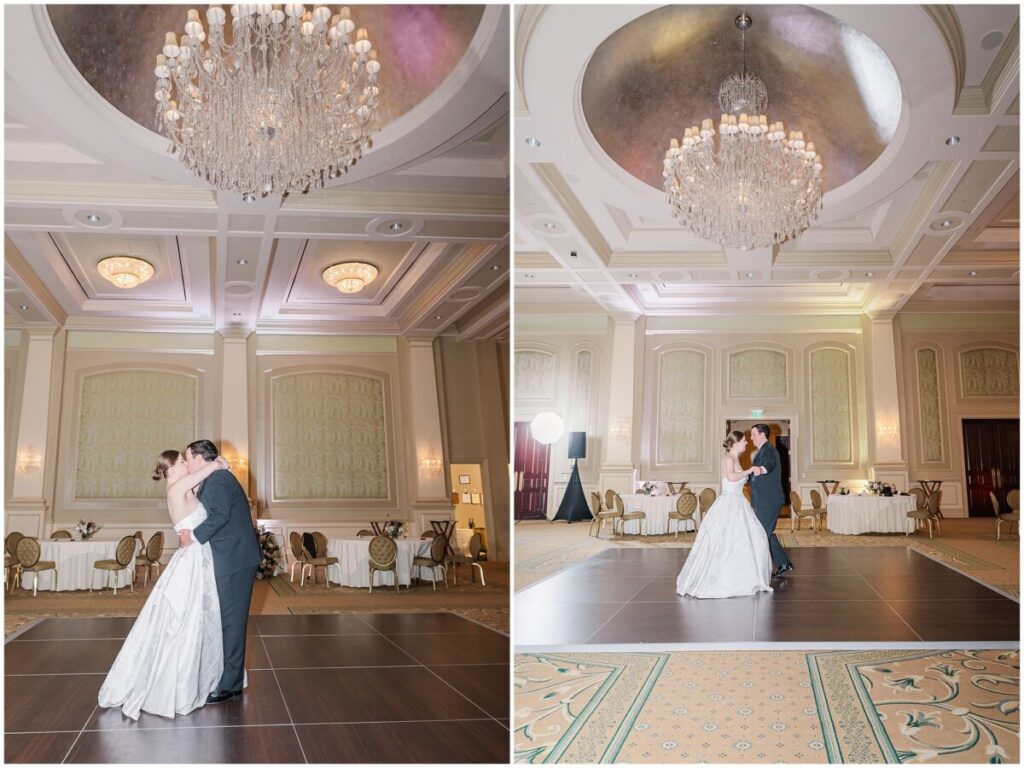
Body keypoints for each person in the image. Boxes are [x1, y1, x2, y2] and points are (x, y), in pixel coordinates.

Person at [97, 450, 228, 719]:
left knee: (197, 618)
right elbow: (206, 471)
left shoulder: (184, 487)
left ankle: (198, 677)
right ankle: (177, 686)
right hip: (191, 562)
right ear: (170, 467)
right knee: (184, 620)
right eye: (182, 461)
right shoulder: (177, 486)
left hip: (199, 557)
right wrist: (218, 463)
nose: (187, 464)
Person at [177, 439, 261, 703]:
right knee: (226, 620)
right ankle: (229, 678)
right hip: (229, 558)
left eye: (188, 458)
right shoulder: (214, 477)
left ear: (200, 458)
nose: (187, 463)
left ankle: (231, 685)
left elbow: (220, 516)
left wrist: (194, 536)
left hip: (235, 560)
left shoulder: (219, 480)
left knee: (232, 622)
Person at [676, 430, 773, 598]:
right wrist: (749, 470)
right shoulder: (728, 459)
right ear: (735, 444)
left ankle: (745, 577)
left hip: (738, 501)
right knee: (727, 540)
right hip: (730, 503)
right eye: (743, 441)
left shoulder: (736, 458)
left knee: (751, 538)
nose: (746, 443)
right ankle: (724, 580)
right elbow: (731, 477)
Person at [749, 423, 793, 577]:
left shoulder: (769, 450)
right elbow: (753, 476)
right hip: (763, 500)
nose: (751, 437)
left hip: (769, 501)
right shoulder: (760, 451)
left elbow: (770, 465)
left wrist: (761, 469)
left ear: (762, 435)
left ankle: (763, 567)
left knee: (762, 533)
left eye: (753, 434)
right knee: (765, 532)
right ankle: (783, 563)